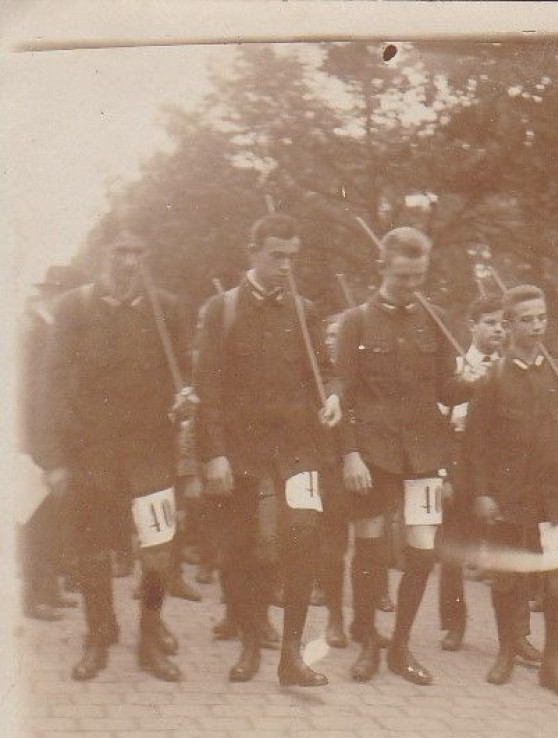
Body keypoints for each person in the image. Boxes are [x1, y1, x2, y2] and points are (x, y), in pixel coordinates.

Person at [37, 218, 190, 682]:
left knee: (159, 552)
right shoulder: (74, 308)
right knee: (94, 551)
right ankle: (99, 635)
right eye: (120, 251)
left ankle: (149, 636)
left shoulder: (166, 310)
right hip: (92, 454)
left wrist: (187, 397)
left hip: (151, 455)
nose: (129, 262)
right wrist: (56, 461)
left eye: (138, 252)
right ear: (102, 253)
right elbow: (51, 387)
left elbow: (185, 375)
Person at [194, 212, 342, 687]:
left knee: (302, 537)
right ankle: (251, 644)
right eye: (276, 256)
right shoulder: (223, 309)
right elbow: (208, 387)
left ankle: (292, 658)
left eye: (291, 257)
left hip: (298, 447)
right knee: (242, 549)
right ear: (253, 252)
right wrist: (213, 452)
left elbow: (326, 369)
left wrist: (333, 396)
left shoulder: (305, 311)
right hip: (242, 450)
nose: (285, 266)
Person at [463, 284, 558, 699]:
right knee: (507, 577)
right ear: (508, 325)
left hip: (557, 494)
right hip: (509, 497)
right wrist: (482, 493)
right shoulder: (492, 379)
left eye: (542, 317)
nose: (537, 326)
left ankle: (551, 663)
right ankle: (507, 651)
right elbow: (474, 445)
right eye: (527, 319)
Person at [336, 226, 469, 685]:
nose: (413, 286)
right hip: (373, 451)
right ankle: (369, 640)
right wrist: (350, 454)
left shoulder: (436, 318)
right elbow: (344, 395)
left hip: (425, 451)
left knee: (421, 549)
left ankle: (402, 645)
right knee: (369, 543)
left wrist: (474, 378)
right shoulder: (355, 321)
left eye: (419, 277)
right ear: (383, 268)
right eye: (404, 277)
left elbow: (448, 390)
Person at [437, 293, 542, 668]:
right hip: (460, 466)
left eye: (502, 324)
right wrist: (444, 474)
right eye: (489, 323)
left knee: (513, 549)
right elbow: (440, 424)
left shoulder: (515, 366)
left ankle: (518, 635)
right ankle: (454, 623)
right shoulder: (454, 364)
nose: (497, 330)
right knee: (455, 547)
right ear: (472, 326)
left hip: (502, 473)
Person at [18, 265, 84, 621]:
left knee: (51, 518)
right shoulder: (37, 332)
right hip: (34, 442)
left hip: (49, 439)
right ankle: (33, 597)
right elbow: (32, 393)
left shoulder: (49, 329)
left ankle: (48, 589)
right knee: (34, 518)